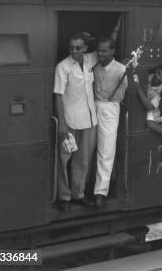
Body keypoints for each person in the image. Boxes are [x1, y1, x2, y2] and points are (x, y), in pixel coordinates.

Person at [54, 33, 99, 211]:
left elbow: (108, 43)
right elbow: (58, 96)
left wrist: (90, 36)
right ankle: (64, 197)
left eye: (78, 47)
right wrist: (62, 123)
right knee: (64, 160)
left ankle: (78, 195)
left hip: (89, 120)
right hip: (70, 120)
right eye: (71, 47)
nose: (74, 50)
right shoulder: (62, 67)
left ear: (85, 48)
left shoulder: (90, 59)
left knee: (84, 160)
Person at [92, 37, 128, 208]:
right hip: (91, 107)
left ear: (112, 51)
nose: (100, 53)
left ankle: (100, 192)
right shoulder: (94, 66)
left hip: (109, 109)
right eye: (99, 50)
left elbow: (124, 92)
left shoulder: (122, 70)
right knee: (87, 149)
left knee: (106, 151)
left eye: (104, 50)